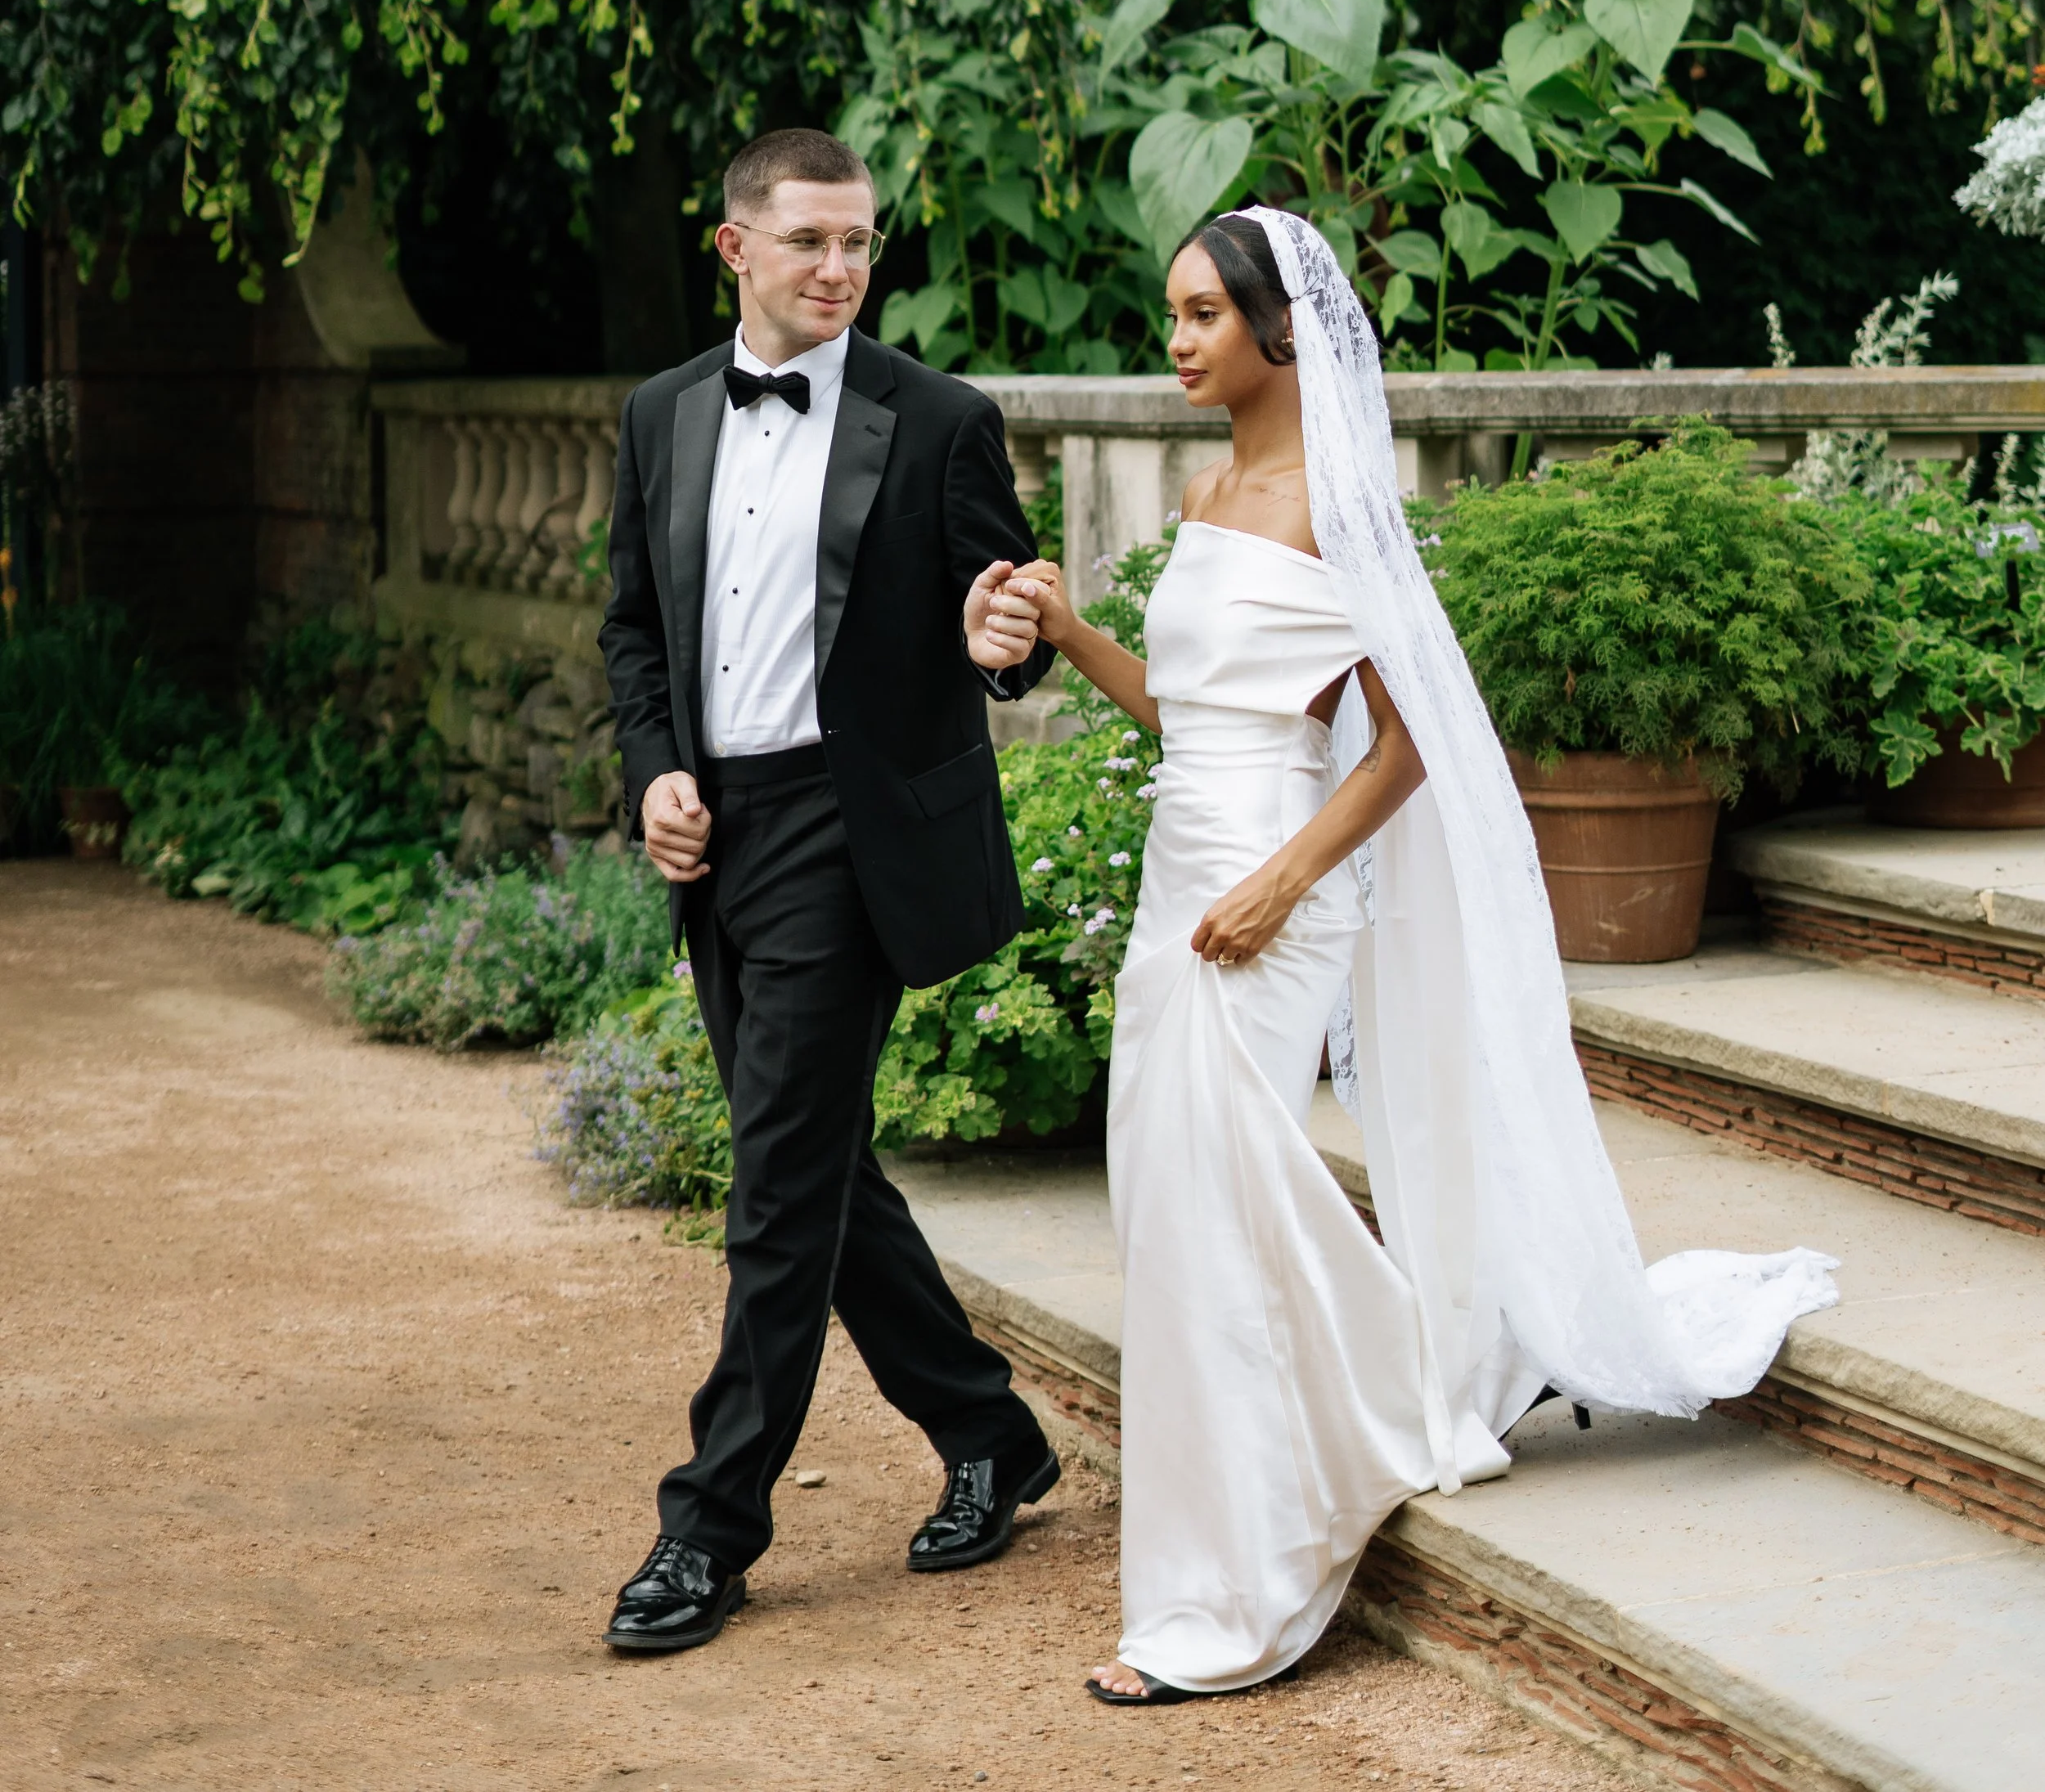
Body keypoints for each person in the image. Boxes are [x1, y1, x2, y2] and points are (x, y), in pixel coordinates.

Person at [1003, 207, 1837, 1706]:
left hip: (1278, 893)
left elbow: (1414, 749)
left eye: (1199, 314)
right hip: (1175, 888)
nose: (1176, 340)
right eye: (1171, 316)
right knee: (1167, 1206)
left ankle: (1242, 1588)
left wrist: (1282, 880)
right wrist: (1069, 630)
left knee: (1220, 1213)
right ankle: (1354, 1420)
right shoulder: (1205, 490)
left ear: (1278, 329)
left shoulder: (1342, 508)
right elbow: (1184, 721)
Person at [596, 125, 1061, 1655]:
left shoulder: (939, 422)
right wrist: (656, 773)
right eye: (810, 242)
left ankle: (708, 1530)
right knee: (821, 1175)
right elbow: (634, 633)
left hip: (849, 842)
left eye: (860, 242)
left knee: (778, 1197)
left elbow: (1010, 618)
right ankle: (993, 1435)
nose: (843, 269)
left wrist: (1011, 639)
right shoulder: (662, 414)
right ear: (736, 247)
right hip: (716, 836)